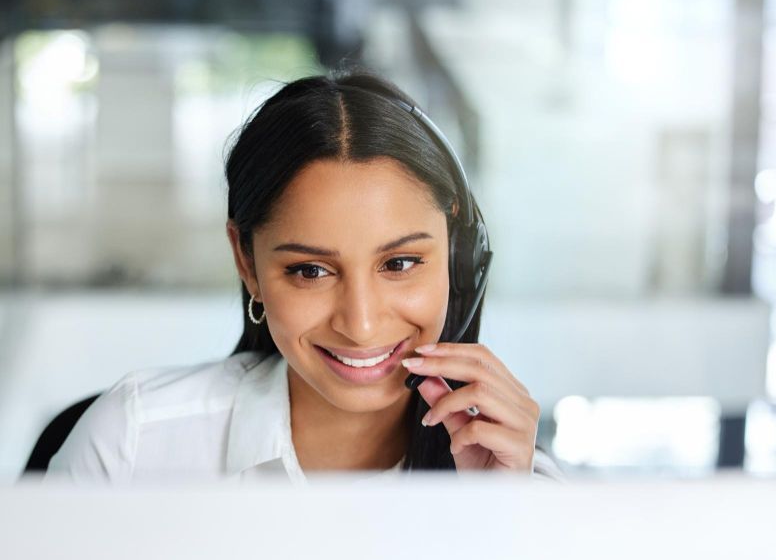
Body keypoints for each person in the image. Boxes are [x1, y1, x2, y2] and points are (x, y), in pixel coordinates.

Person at [45, 69, 562, 484]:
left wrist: (497, 511)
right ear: (247, 263)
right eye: (310, 270)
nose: (360, 325)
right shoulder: (133, 445)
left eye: (399, 263)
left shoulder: (522, 484)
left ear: (457, 255)